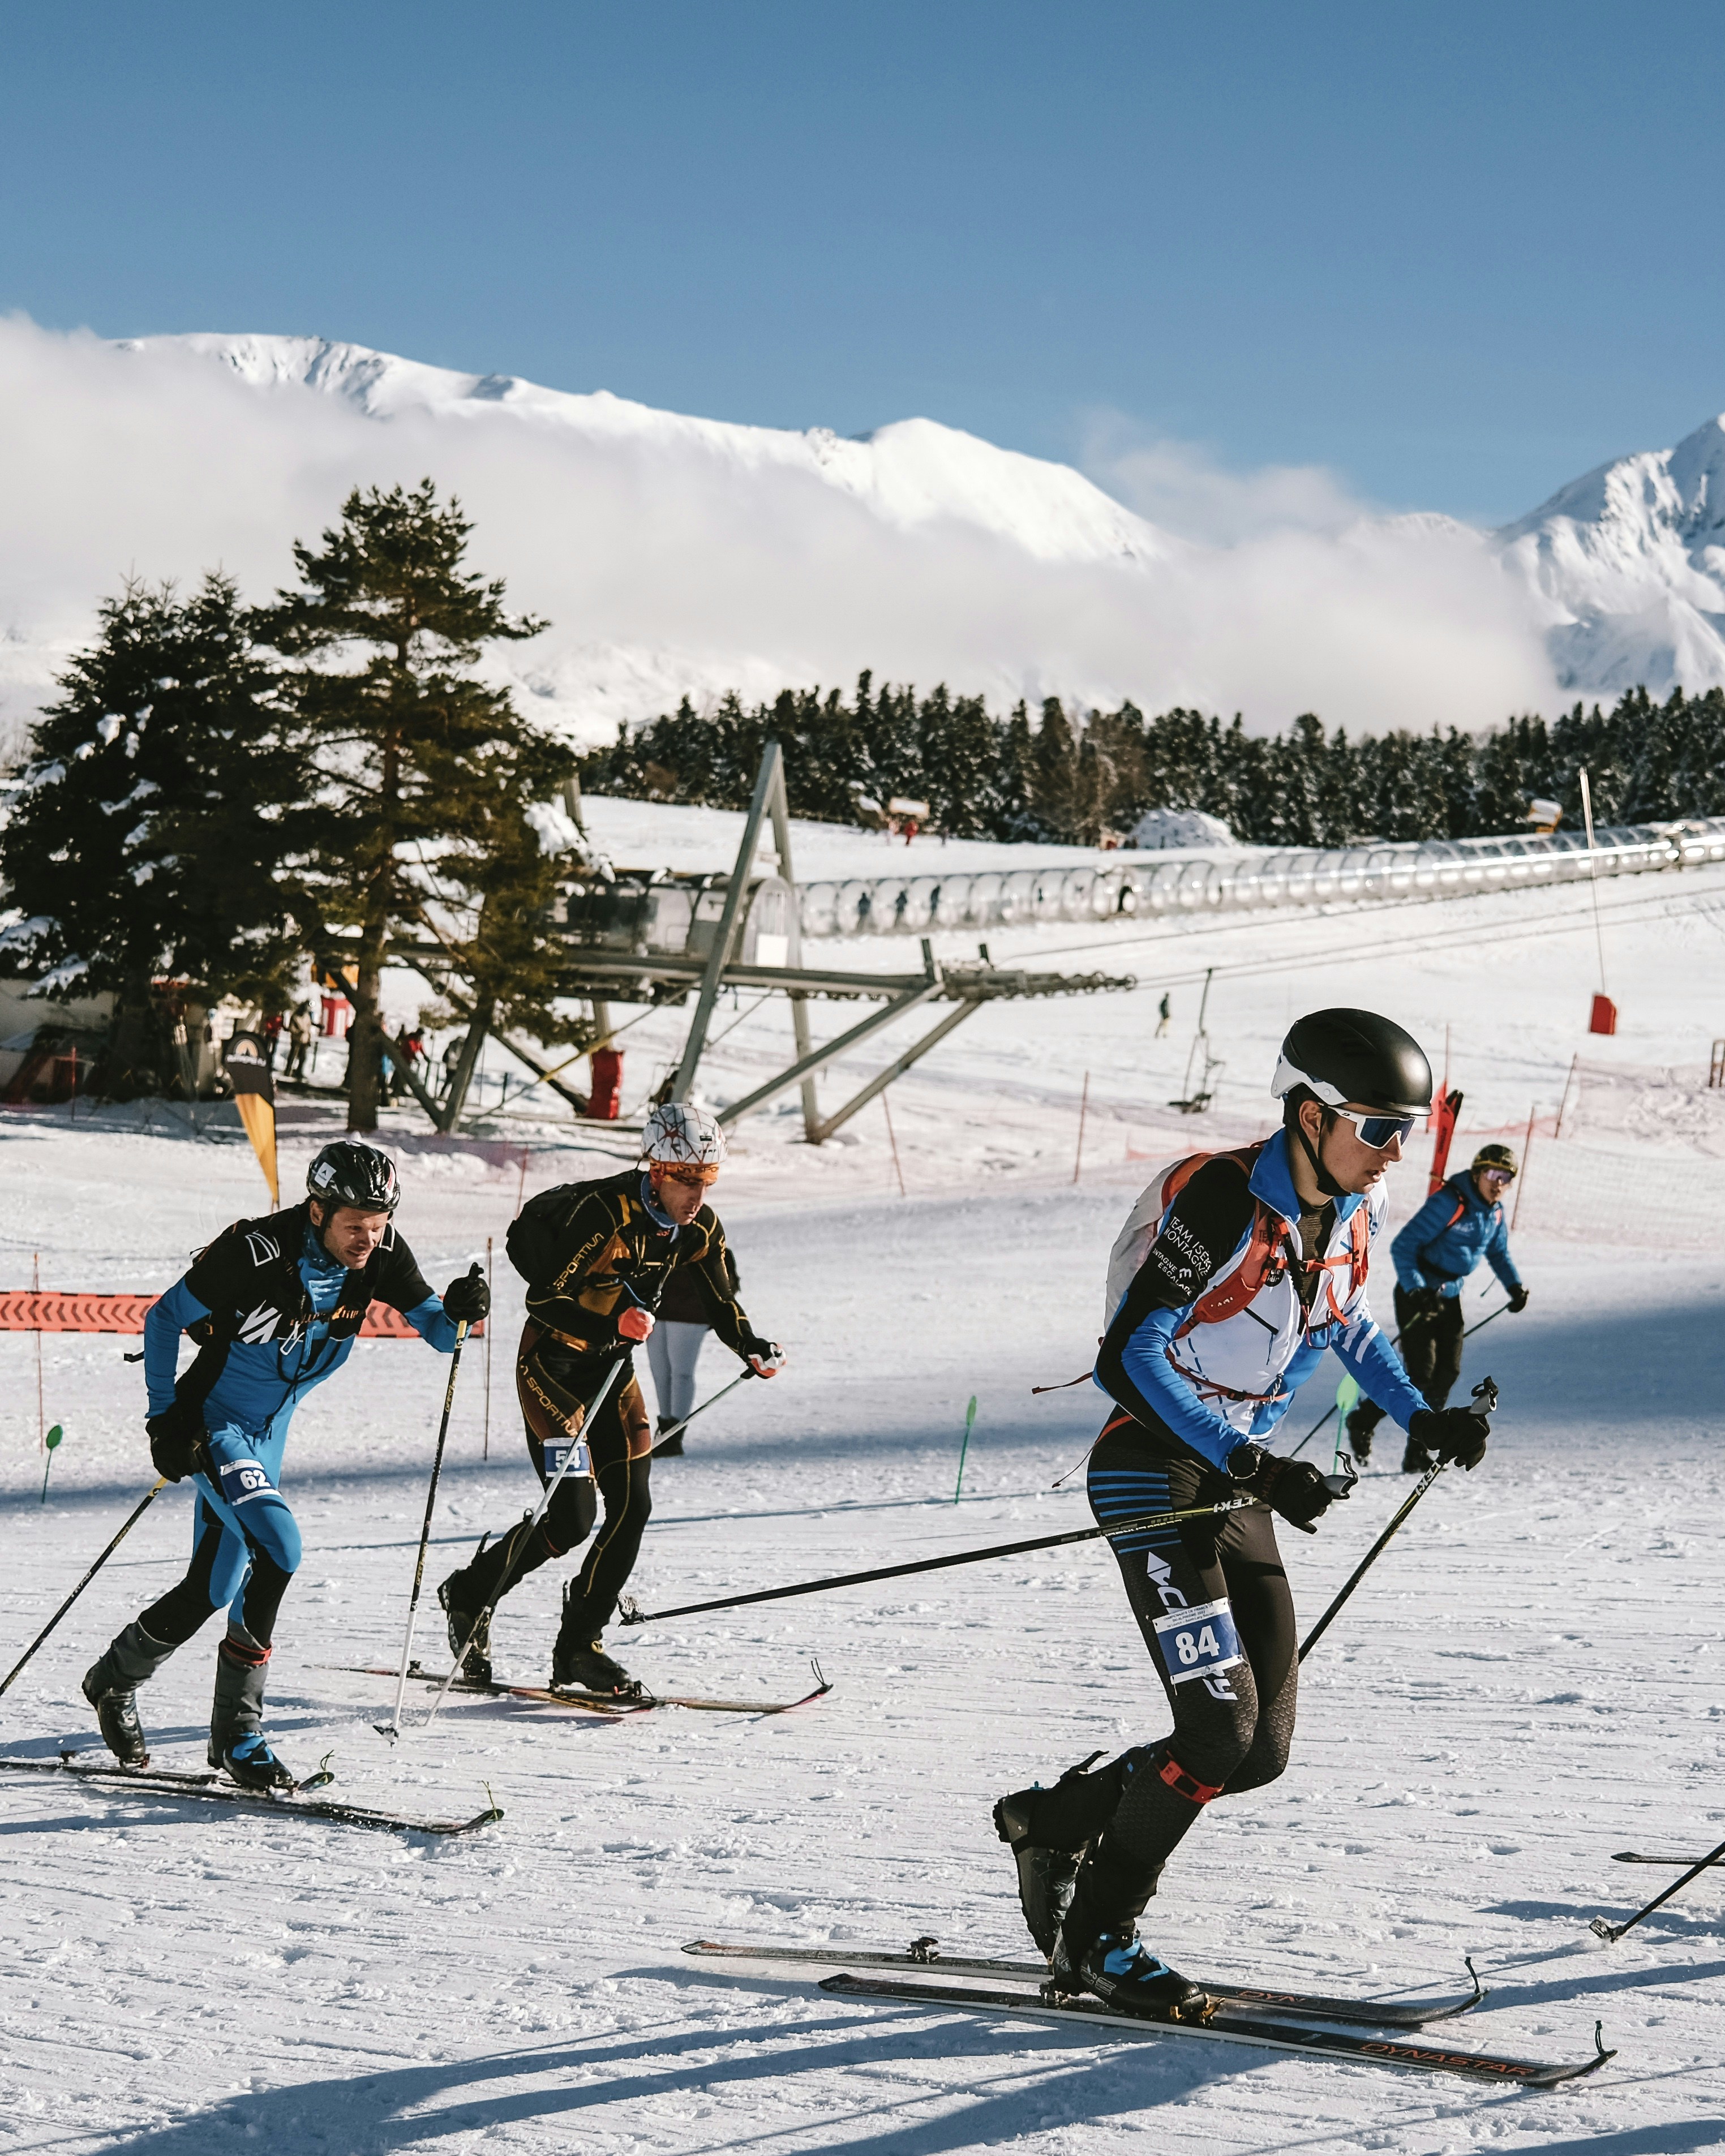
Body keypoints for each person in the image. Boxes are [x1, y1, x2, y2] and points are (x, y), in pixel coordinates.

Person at [992, 1009, 1492, 2025]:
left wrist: (1418, 1418)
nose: (1390, 1149)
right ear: (1310, 1116)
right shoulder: (1222, 1200)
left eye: (1403, 1128)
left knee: (1255, 1750)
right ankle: (1095, 1939)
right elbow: (1125, 1356)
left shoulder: (1351, 1207)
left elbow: (1345, 1321)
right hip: (1152, 1468)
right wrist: (1250, 1459)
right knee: (1215, 1729)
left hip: (1232, 1479)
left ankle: (1051, 1822)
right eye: (1376, 1126)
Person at [80, 1141, 488, 1789]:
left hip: (269, 1434)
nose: (368, 1239)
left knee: (213, 1587)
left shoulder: (381, 1251)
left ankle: (114, 1677)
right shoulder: (256, 1252)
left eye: (378, 1224)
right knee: (281, 1548)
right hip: (215, 1425)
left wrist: (462, 1310)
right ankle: (238, 1736)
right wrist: (164, 1420)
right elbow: (162, 1319)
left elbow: (439, 1329)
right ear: (318, 1209)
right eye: (354, 1224)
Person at [437, 1102, 784, 1698]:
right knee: (573, 1519)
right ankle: (470, 1592)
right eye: (688, 1182)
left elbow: (722, 1300)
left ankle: (579, 1647)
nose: (698, 1197)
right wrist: (613, 1327)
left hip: (611, 1368)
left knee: (633, 1506)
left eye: (708, 1182)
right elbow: (543, 1302)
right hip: (552, 1366)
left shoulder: (699, 1227)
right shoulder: (606, 1214)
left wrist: (750, 1344)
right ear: (657, 1173)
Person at [1345, 1141, 1527, 1471]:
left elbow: (1498, 1253)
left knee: (1448, 1372)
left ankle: (1419, 1446)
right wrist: (1417, 1290)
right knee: (1421, 1374)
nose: (1499, 1182)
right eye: (1492, 1173)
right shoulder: (1450, 1202)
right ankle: (1367, 1422)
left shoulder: (1494, 1213)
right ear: (1477, 1173)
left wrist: (1514, 1287)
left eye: (1506, 1176)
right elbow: (1404, 1247)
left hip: (1449, 1295)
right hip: (1418, 1293)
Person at [645, 1240, 742, 1455]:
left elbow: (726, 1287)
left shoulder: (712, 1246)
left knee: (681, 1373)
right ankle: (666, 1429)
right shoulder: (660, 1240)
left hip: (690, 1316)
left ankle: (675, 1433)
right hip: (658, 1313)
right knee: (661, 1372)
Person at [283, 1003, 314, 1083]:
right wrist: (298, 1031)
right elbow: (291, 1028)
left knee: (303, 1057)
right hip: (296, 1039)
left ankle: (299, 1072)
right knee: (293, 1055)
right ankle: (288, 1071)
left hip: (305, 1039)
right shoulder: (295, 1017)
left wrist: (309, 1038)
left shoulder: (307, 1017)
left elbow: (308, 1028)